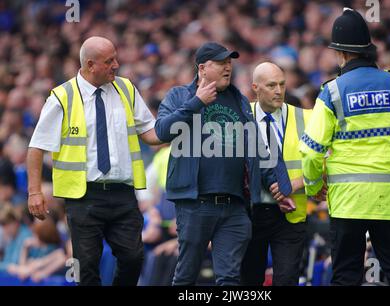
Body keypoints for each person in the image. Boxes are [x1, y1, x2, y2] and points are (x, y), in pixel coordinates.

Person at [300, 8, 390, 286]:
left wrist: (314, 187)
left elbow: (311, 151)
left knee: (345, 277)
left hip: (349, 202)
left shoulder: (333, 92)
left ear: (340, 54)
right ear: (368, 50)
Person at [27, 36, 161, 286]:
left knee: (133, 258)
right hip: (83, 197)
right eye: (109, 61)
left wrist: (178, 127)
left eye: (116, 58)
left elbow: (150, 132)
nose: (116, 65)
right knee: (86, 267)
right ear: (90, 64)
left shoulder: (127, 89)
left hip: (123, 194)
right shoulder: (62, 97)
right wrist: (34, 192)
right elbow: (37, 146)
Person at [155, 42, 278, 285]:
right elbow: (162, 131)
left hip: (234, 206)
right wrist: (196, 102)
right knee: (186, 277)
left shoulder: (238, 99)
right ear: (202, 68)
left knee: (230, 279)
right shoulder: (180, 95)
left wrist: (274, 183)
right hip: (195, 204)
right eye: (221, 63)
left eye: (229, 63)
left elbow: (256, 147)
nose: (227, 68)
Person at [241, 62, 310, 286]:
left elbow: (328, 163)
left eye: (282, 84)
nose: (279, 91)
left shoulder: (307, 118)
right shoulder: (239, 117)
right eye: (271, 85)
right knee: (249, 281)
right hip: (251, 213)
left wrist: (296, 184)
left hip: (291, 213)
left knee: (287, 280)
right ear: (255, 88)